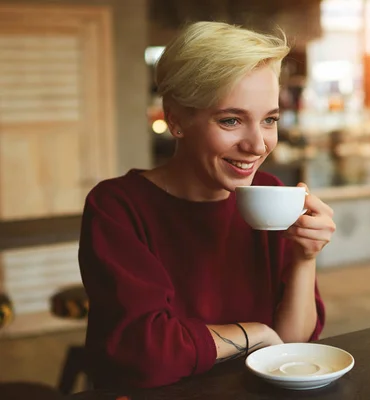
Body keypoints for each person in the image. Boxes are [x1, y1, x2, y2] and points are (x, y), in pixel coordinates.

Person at [78, 21, 334, 389]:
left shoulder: (272, 192)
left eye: (269, 120)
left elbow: (290, 348)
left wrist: (304, 258)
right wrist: (254, 333)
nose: (258, 145)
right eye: (231, 120)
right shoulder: (118, 207)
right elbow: (144, 353)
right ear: (176, 118)